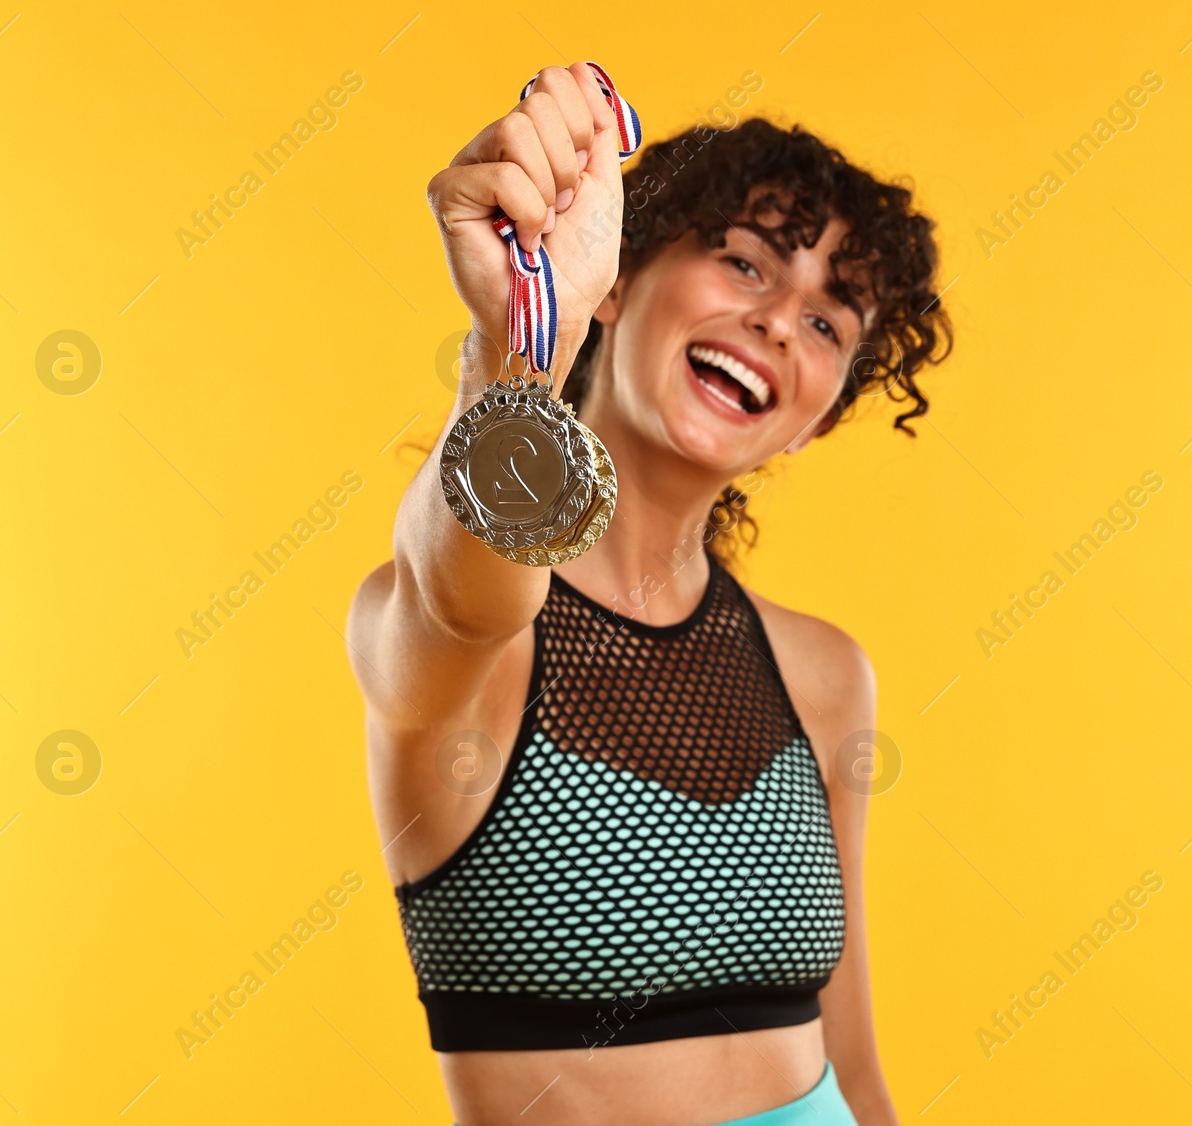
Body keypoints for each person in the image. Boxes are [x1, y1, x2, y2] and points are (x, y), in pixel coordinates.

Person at [345, 61, 952, 1126]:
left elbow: (854, 1065)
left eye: (826, 323)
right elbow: (463, 595)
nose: (776, 324)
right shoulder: (479, 641)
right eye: (745, 266)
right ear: (617, 282)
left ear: (815, 417)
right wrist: (517, 339)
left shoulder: (821, 673)